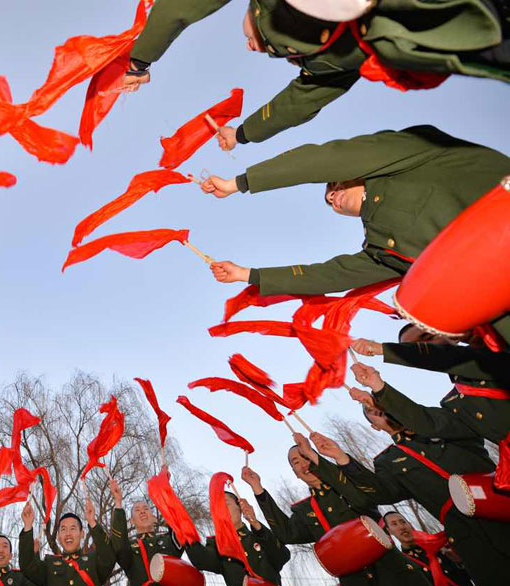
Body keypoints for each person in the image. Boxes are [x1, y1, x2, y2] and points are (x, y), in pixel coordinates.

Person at [205, 125, 510, 341]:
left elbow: (322, 160)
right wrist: (247, 274)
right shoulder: (378, 249)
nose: (329, 196)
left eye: (332, 184)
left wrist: (239, 183)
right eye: (328, 200)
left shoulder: (408, 159)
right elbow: (329, 275)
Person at [123, 0, 508, 145]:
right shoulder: (326, 62)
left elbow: (179, 8)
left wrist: (139, 61)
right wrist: (241, 134)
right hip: (474, 39)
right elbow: (298, 103)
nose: (248, 47)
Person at [314, 372, 510, 586]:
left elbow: (426, 420)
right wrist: (340, 457)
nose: (377, 409)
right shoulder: (387, 461)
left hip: (501, 506)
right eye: (371, 412)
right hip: (468, 537)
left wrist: (381, 392)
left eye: (379, 404)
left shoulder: (440, 424)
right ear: (375, 427)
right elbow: (380, 493)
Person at [241, 441, 438, 586]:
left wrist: (317, 459)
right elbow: (287, 534)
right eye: (295, 462)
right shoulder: (306, 509)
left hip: (394, 574)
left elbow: (363, 500)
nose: (302, 463)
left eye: (304, 456)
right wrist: (257, 487)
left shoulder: (347, 485)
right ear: (295, 473)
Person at [351, 327, 510, 448]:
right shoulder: (455, 404)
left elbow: (447, 357)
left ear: (450, 336)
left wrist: (383, 349)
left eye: (427, 338)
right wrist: (378, 386)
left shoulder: (495, 349)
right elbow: (428, 424)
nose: (420, 348)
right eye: (410, 347)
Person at [185, 491, 290, 586]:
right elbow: (202, 561)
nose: (222, 509)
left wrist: (255, 523)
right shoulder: (217, 545)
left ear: (240, 507)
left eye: (226, 504)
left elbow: (282, 556)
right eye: (218, 507)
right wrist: (182, 529)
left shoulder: (258, 536)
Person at [19, 499, 116, 586]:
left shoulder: (93, 561)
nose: (68, 533)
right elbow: (27, 566)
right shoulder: (50, 564)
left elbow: (109, 558)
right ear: (58, 536)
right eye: (63, 529)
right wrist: (27, 526)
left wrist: (92, 522)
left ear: (82, 534)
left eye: (73, 528)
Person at [108, 478, 186, 586]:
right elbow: (119, 545)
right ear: (132, 521)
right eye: (137, 511)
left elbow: (180, 528)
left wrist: (166, 492)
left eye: (146, 509)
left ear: (155, 518)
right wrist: (118, 502)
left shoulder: (168, 539)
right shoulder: (129, 547)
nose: (142, 512)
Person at [382, 510, 477, 586]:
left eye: (403, 522)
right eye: (394, 524)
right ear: (389, 531)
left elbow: (471, 574)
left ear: (409, 524)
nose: (401, 527)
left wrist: (459, 562)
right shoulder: (405, 564)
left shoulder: (437, 546)